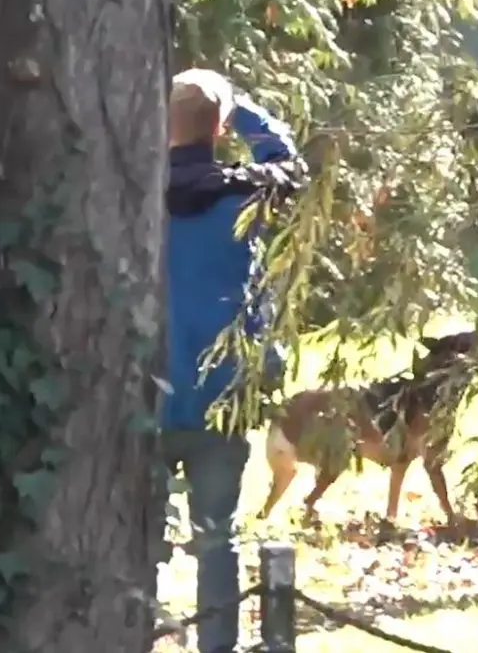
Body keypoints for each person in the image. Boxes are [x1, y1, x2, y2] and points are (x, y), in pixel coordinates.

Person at [162, 68, 305, 653]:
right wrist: (239, 106)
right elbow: (292, 167)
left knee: (135, 540)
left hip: (146, 389)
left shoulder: (125, 195)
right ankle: (216, 646)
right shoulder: (246, 191)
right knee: (216, 537)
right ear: (219, 129)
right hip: (221, 393)